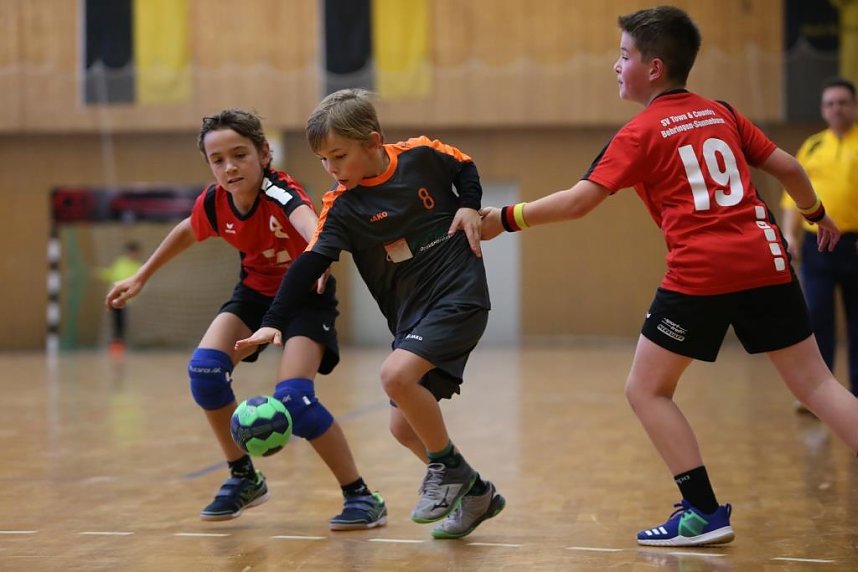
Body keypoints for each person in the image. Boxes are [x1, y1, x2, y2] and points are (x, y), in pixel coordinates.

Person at [480, 5, 858, 547]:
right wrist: (818, 215)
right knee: (819, 384)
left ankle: (702, 512)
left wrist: (503, 219)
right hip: (767, 259)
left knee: (647, 390)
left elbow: (579, 202)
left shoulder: (639, 132)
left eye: (624, 54)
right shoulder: (721, 112)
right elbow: (792, 169)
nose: (616, 65)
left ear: (653, 68)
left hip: (701, 272)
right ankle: (701, 510)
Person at [235, 89, 505, 539]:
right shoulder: (341, 205)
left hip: (460, 295)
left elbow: (464, 165)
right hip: (411, 318)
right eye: (323, 159)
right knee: (403, 427)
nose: (331, 168)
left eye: (338, 155)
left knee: (395, 376)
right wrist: (272, 321)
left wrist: (467, 203)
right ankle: (477, 493)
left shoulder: (421, 154)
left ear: (374, 142)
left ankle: (448, 470)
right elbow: (308, 262)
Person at [105, 108, 386, 530]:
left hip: (304, 301)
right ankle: (244, 476)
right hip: (254, 296)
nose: (229, 167)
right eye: (217, 160)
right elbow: (187, 229)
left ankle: (361, 495)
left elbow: (309, 223)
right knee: (205, 372)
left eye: (239, 155)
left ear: (264, 153)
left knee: (295, 400)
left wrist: (318, 253)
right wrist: (142, 275)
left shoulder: (280, 192)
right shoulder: (217, 203)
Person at [781, 77, 858, 408]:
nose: (836, 109)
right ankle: (822, 396)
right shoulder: (812, 146)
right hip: (818, 247)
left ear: (854, 105)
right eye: (829, 104)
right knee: (817, 315)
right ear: (823, 110)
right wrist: (789, 235)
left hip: (854, 245)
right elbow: (792, 196)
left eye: (842, 102)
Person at [99, 240, 142, 352]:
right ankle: (116, 343)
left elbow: (138, 283)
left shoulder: (138, 267)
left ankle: (119, 342)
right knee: (116, 320)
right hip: (114, 297)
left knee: (122, 321)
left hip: (126, 299)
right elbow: (111, 274)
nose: (132, 254)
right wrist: (100, 273)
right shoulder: (120, 262)